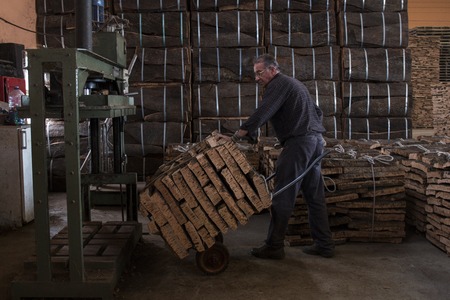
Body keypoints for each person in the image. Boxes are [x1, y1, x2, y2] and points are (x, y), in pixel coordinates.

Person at [231, 54, 334, 259]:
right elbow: (317, 111)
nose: (257, 78)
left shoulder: (278, 85)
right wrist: (313, 132)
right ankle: (324, 245)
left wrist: (241, 133)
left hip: (299, 145)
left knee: (282, 195)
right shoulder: (295, 84)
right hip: (314, 143)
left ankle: (274, 246)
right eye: (255, 74)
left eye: (260, 73)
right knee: (314, 196)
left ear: (273, 69)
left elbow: (264, 111)